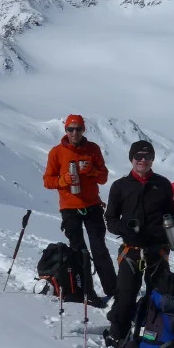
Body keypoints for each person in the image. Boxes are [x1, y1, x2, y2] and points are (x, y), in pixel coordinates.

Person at [103, 140, 174, 348]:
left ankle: (153, 336)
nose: (143, 160)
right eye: (138, 156)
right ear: (131, 159)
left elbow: (172, 214)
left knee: (158, 297)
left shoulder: (163, 184)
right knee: (125, 295)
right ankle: (117, 334)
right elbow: (109, 219)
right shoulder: (119, 186)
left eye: (147, 156)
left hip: (158, 250)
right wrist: (123, 227)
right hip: (132, 251)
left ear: (153, 159)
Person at [42, 114, 115, 306]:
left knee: (99, 248)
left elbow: (104, 177)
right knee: (79, 251)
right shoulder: (56, 153)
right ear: (65, 130)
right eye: (70, 129)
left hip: (92, 206)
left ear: (84, 130)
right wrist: (63, 180)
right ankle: (87, 292)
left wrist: (91, 171)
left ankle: (113, 289)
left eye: (78, 129)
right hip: (69, 208)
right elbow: (47, 181)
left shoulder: (93, 150)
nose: (74, 132)